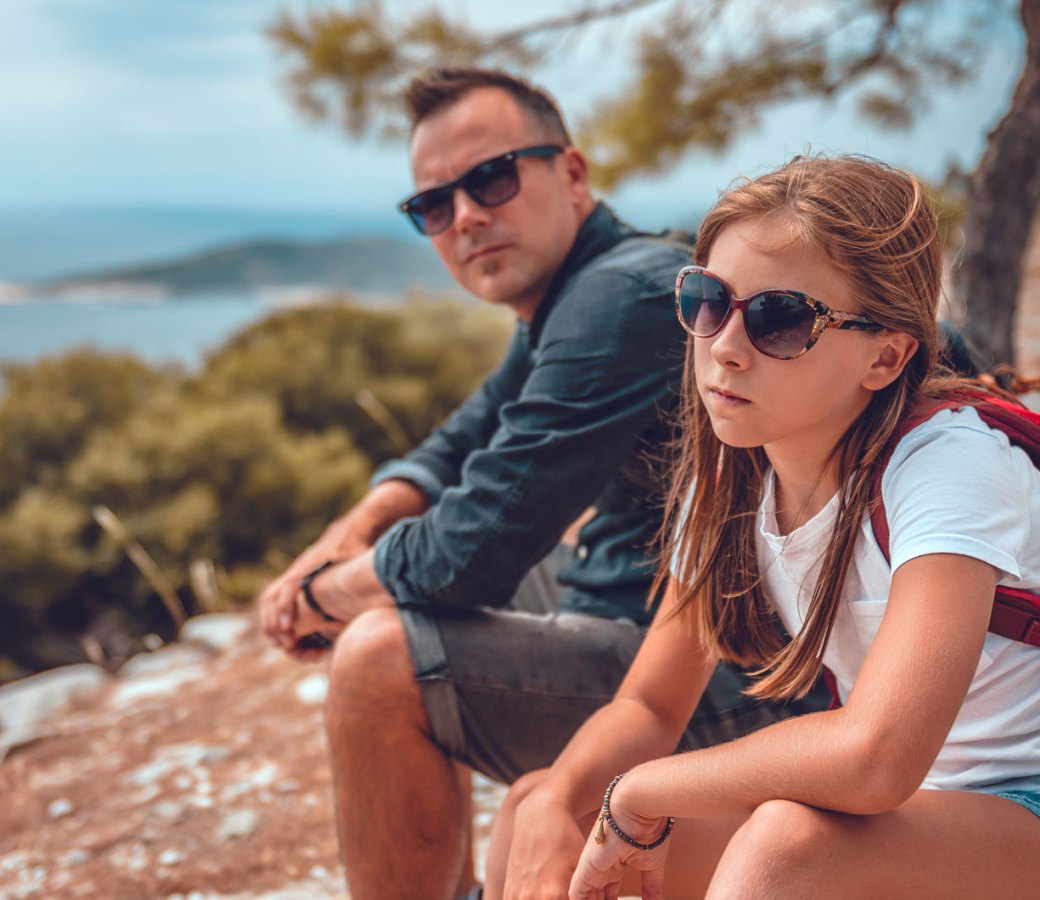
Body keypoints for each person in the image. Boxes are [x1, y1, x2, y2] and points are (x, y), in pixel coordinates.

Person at [256, 68, 812, 899]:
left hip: (748, 678)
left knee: (378, 656)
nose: (466, 217)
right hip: (653, 601)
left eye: (490, 178)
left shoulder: (617, 298)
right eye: (432, 206)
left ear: (573, 174)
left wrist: (324, 597)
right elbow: (460, 443)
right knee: (406, 594)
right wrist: (351, 532)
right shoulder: (577, 294)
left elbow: (472, 548)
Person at [487, 155, 1040, 900]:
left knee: (786, 847)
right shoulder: (733, 482)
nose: (725, 346)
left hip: (1017, 806)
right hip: (924, 815)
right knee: (540, 807)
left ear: (886, 355)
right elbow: (649, 706)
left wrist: (641, 792)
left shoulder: (948, 468)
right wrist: (561, 800)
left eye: (781, 319)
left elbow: (876, 757)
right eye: (707, 300)